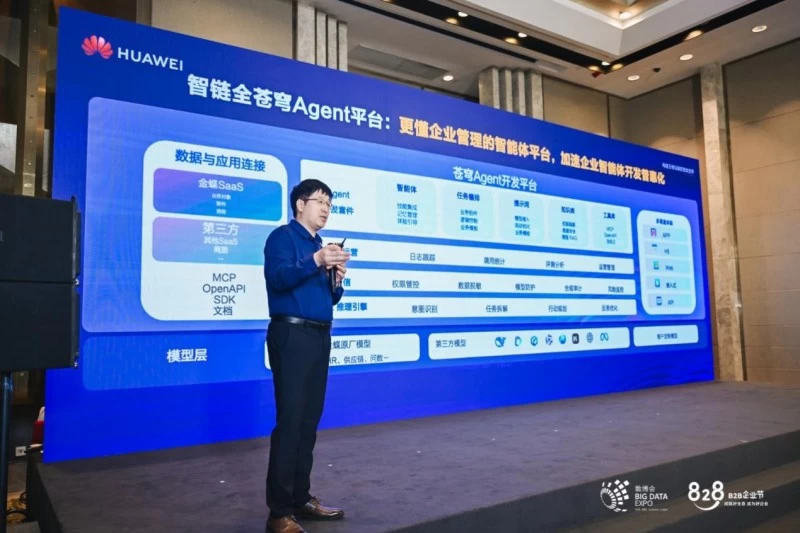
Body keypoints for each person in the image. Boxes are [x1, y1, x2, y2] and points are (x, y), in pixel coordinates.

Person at [263, 179, 351, 533]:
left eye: (330, 203)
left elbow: (329, 299)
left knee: (308, 421)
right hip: (291, 335)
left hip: (319, 336)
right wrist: (316, 260)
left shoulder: (319, 245)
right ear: (300, 204)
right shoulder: (282, 238)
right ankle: (279, 512)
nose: (326, 208)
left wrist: (337, 281)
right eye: (320, 201)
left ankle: (301, 498)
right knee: (291, 421)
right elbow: (279, 278)